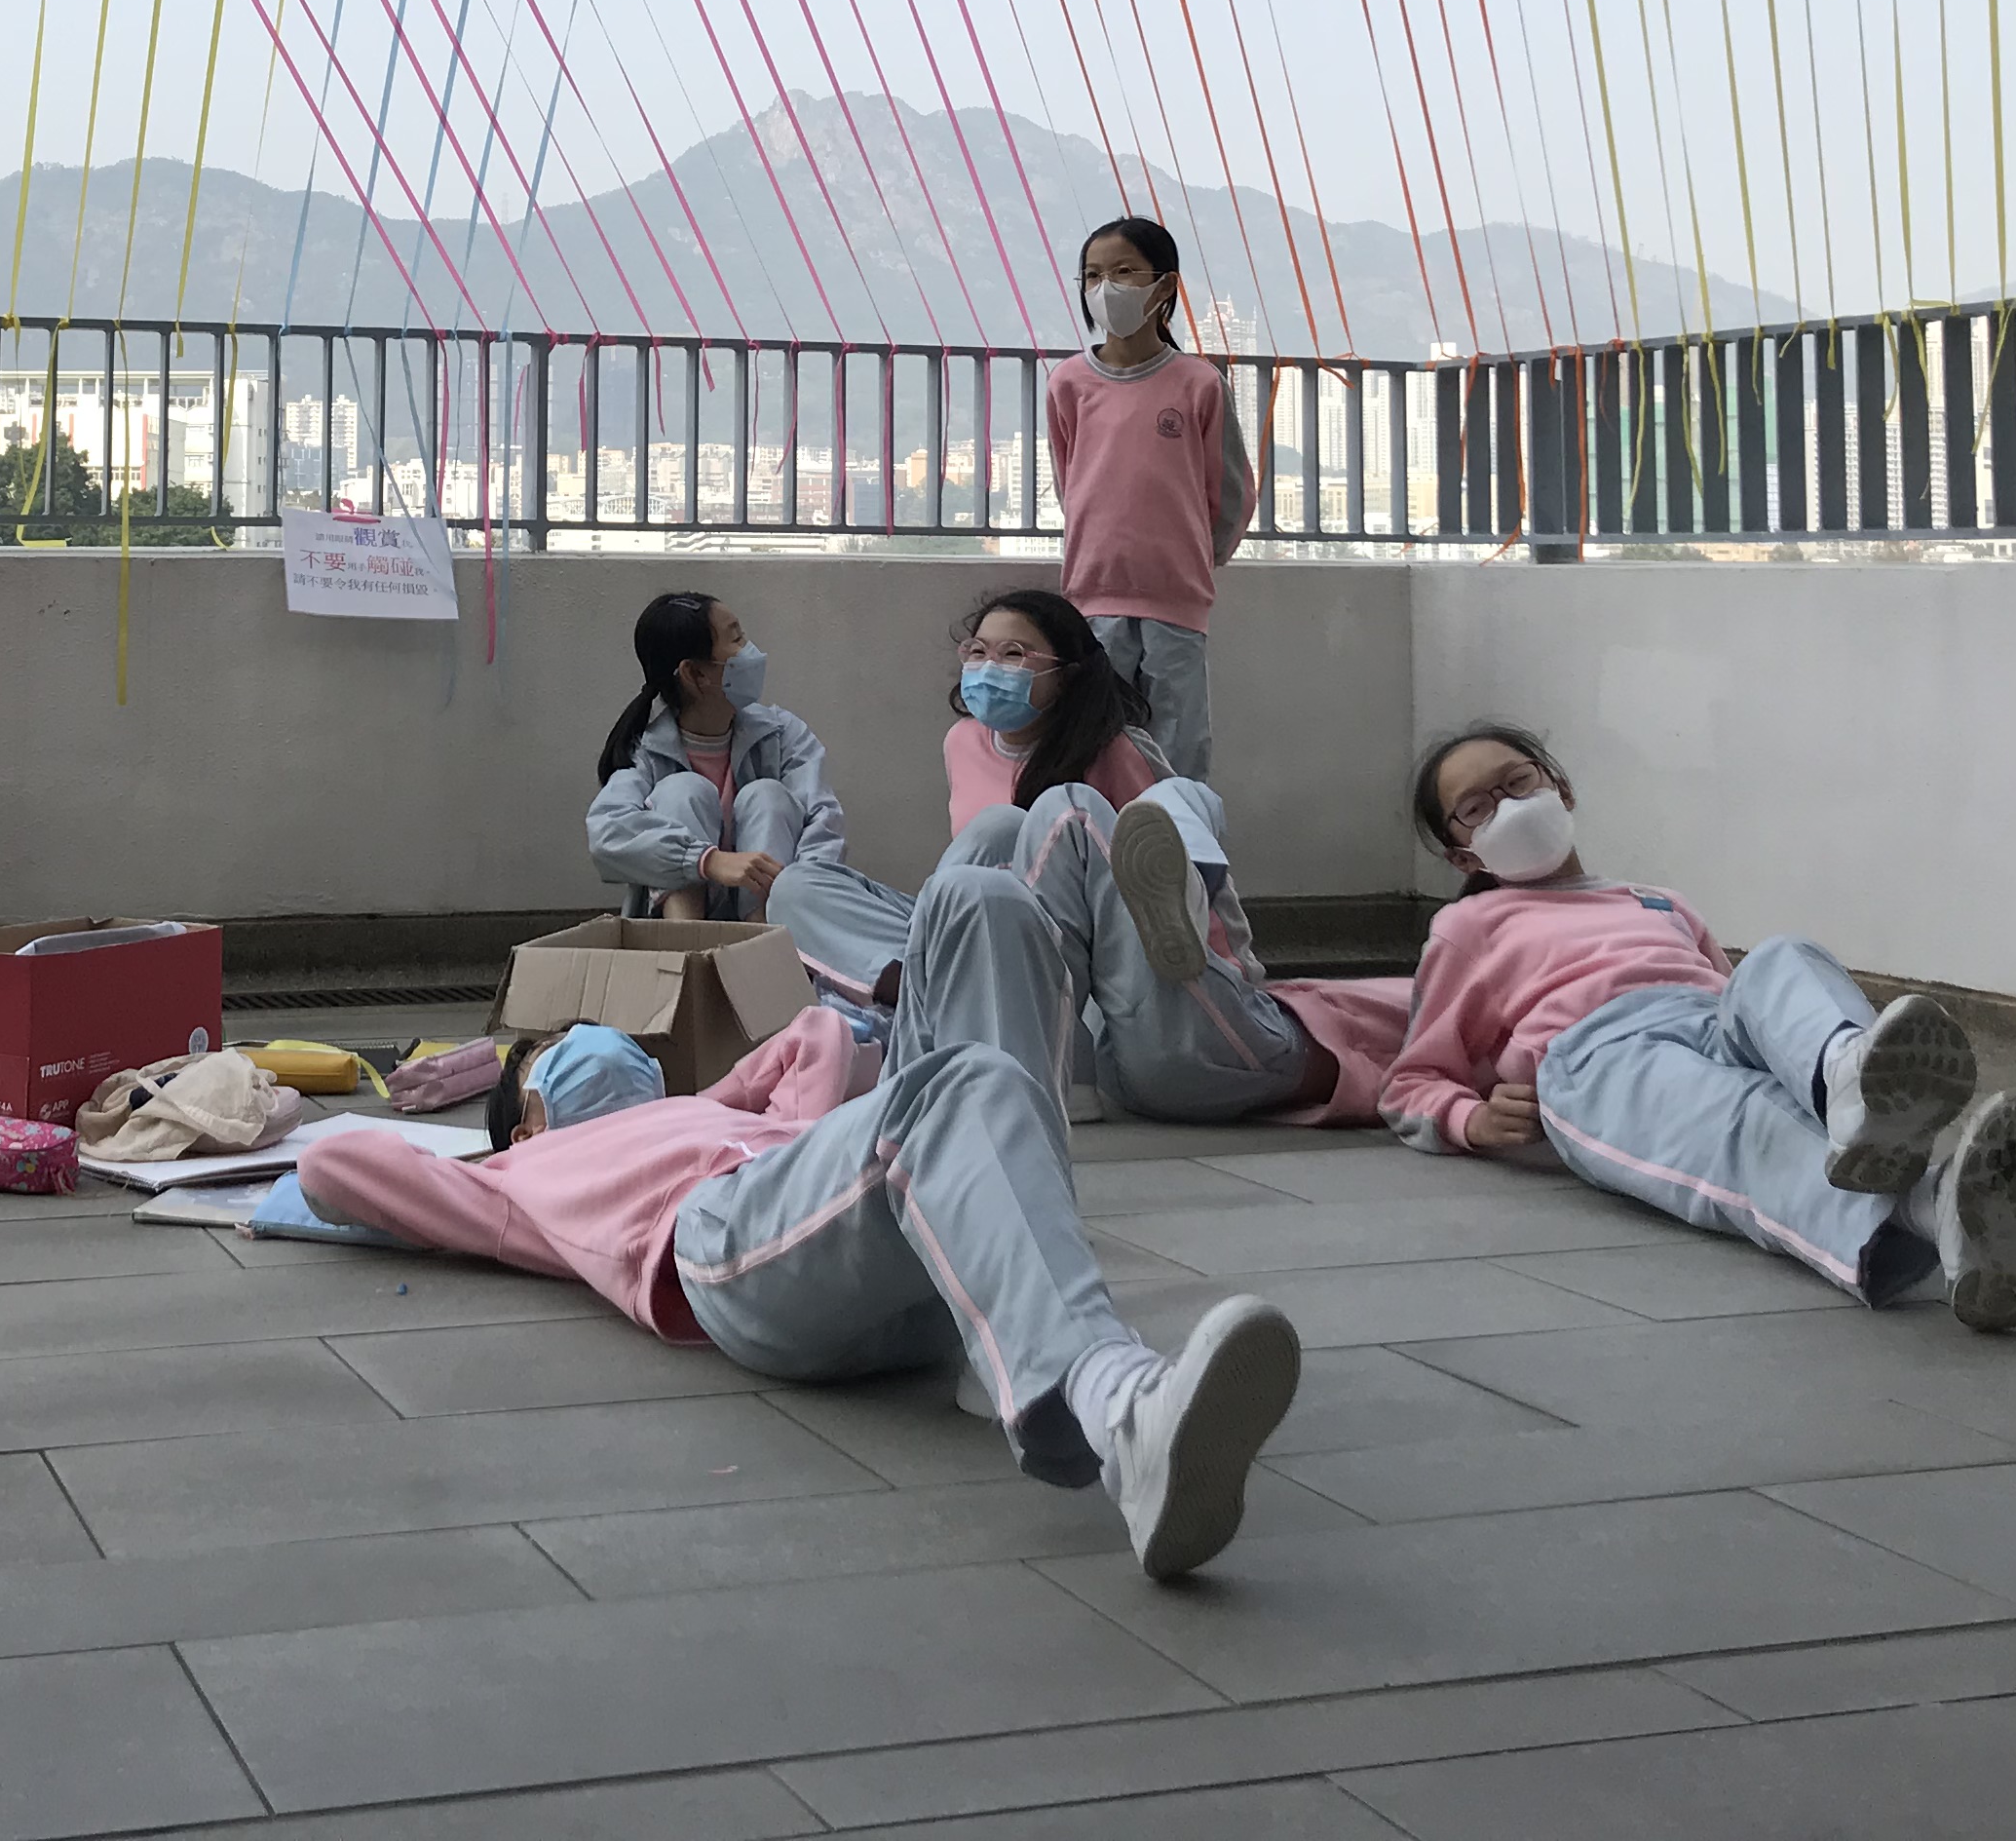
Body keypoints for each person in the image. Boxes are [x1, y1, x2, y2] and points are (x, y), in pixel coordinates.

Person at [302, 863, 1305, 1582]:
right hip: (729, 1251)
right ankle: (1120, 1412)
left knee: (985, 898)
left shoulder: (713, 1112)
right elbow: (331, 1159)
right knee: (959, 1088)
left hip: (868, 1211)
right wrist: (493, 1089)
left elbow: (817, 1033)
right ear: (528, 1113)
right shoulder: (519, 1177)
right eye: (563, 1049)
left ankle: (999, 1345)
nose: (597, 1043)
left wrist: (721, 1095)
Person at [1383, 722, 2016, 1328]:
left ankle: (1847, 1078)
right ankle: (1939, 1205)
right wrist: (1472, 1121)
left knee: (1780, 959)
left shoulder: (1656, 900)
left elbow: (1737, 998)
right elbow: (1412, 1080)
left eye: (1517, 782)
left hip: (1704, 1014)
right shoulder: (1470, 927)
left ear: (1560, 787)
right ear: (1463, 857)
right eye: (1477, 807)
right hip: (1599, 1053)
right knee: (1744, 1117)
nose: (1507, 805)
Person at [767, 588, 1403, 1125]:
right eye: (979, 652)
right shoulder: (963, 742)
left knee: (1077, 809)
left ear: (1064, 672)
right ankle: (946, 978)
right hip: (1019, 961)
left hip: (1129, 981)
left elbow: (1159, 906)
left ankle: (998, 999)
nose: (991, 667)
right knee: (803, 883)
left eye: (1014, 654)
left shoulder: (1117, 752)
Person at [1045, 216, 1252, 779]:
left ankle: (1187, 861)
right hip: (1095, 595)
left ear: (1163, 287)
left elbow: (1229, 491)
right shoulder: (1068, 383)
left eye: (1123, 271)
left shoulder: (1197, 383)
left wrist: (1192, 560)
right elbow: (1072, 482)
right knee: (1099, 746)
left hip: (1176, 601)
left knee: (1179, 750)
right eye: (1092, 275)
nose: (1105, 287)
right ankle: (1104, 857)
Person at [585, 593, 844, 923]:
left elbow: (823, 821)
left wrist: (797, 888)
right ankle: (685, 950)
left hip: (776, 929)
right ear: (696, 675)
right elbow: (607, 833)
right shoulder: (646, 753)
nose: (751, 651)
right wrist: (705, 860)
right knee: (681, 791)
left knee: (767, 796)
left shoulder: (781, 735)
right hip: (680, 930)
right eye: (736, 639)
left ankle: (761, 946)